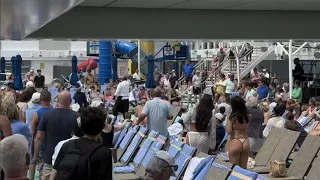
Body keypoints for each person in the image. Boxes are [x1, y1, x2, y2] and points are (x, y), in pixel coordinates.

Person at [51, 107, 112, 180]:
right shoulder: (104, 152)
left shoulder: (67, 145)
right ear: (102, 127)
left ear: (81, 125)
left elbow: (54, 175)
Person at [34, 91, 79, 180]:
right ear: (70, 101)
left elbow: (39, 137)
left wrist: (36, 155)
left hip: (50, 158)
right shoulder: (77, 117)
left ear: (57, 100)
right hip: (70, 159)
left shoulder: (47, 115)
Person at [29, 91, 53, 180]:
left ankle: (33, 177)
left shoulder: (36, 114)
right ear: (50, 99)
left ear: (40, 100)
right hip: (50, 142)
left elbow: (32, 131)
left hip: (39, 143)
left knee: (36, 162)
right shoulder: (53, 112)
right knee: (46, 165)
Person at [226, 96, 250, 169]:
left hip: (235, 140)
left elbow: (228, 131)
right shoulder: (248, 116)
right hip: (245, 141)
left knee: (234, 169)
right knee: (244, 169)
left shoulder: (232, 117)